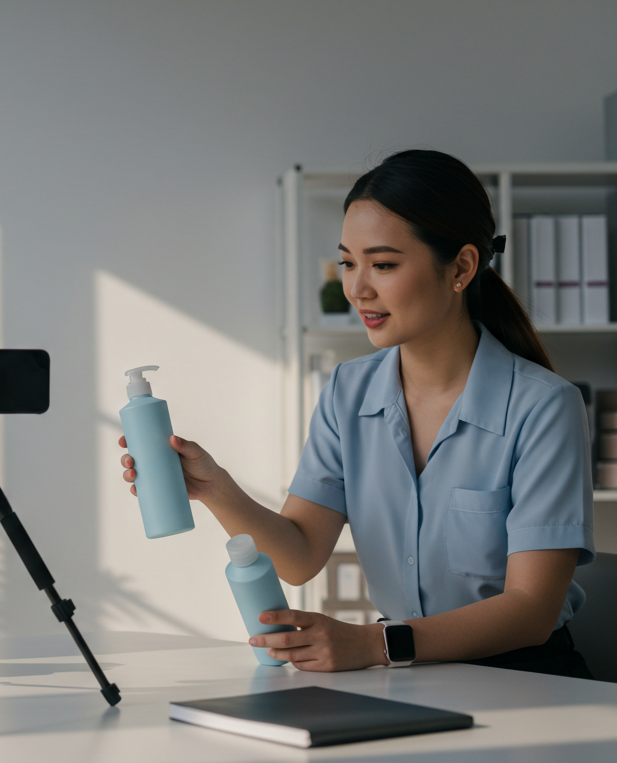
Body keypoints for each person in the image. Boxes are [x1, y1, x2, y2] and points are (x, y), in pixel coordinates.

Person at [120, 149, 594, 677]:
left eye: (383, 265)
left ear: (461, 267)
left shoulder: (543, 407)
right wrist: (214, 488)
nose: (357, 289)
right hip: (410, 674)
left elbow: (531, 610)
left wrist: (374, 644)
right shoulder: (348, 391)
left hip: (527, 681)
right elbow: (300, 556)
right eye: (348, 262)